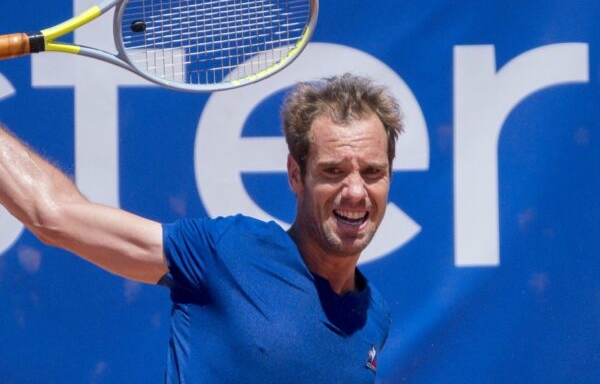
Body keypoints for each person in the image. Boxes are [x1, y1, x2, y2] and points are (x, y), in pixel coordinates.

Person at [0, 73, 404, 383]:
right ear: (296, 175)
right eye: (333, 171)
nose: (355, 191)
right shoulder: (226, 252)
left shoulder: (373, 317)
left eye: (372, 172)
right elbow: (52, 214)